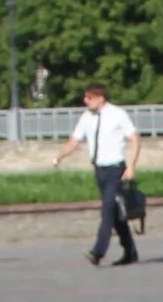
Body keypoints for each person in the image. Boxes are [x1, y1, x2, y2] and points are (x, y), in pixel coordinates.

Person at [58, 82, 141, 267]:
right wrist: (60, 156)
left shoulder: (117, 114)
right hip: (99, 170)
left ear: (100, 98)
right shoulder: (87, 117)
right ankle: (130, 252)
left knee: (107, 210)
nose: (85, 100)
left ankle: (98, 252)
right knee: (115, 213)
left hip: (116, 170)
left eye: (89, 97)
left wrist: (131, 166)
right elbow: (74, 140)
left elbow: (135, 138)